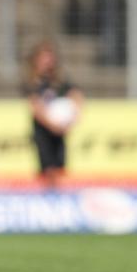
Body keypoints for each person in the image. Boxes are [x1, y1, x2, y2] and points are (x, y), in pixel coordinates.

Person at [23, 40, 84, 189]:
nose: (47, 61)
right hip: (43, 131)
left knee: (60, 168)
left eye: (50, 57)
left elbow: (76, 95)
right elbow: (36, 107)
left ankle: (56, 197)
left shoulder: (59, 80)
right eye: (44, 57)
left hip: (59, 130)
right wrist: (53, 125)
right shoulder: (33, 82)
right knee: (47, 169)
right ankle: (48, 197)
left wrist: (74, 117)